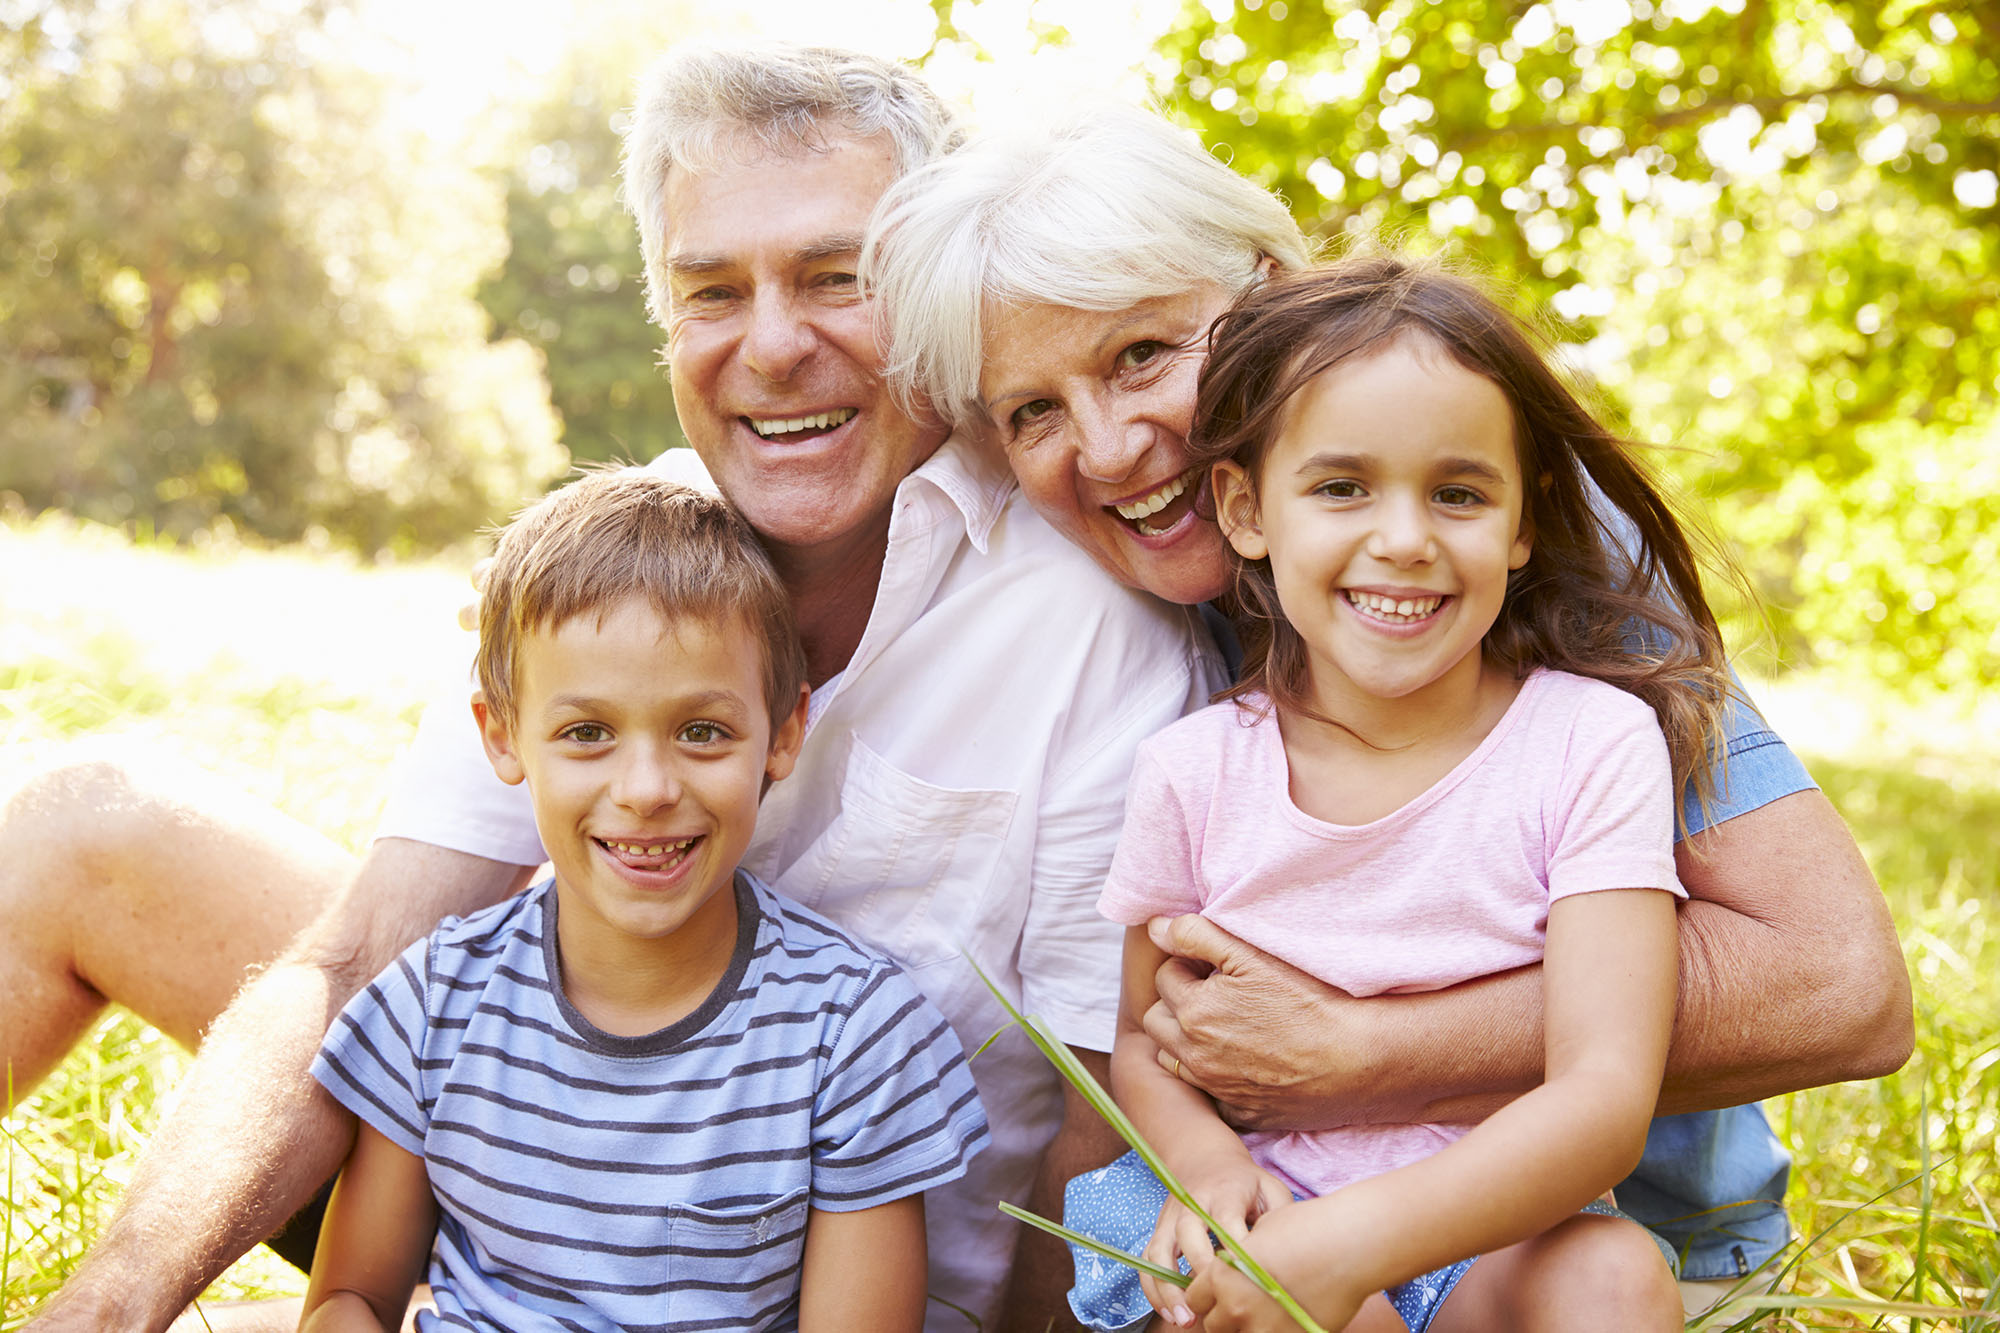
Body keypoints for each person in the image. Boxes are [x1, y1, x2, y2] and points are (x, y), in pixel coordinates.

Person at [14, 46, 1212, 1333]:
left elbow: (1093, 1129)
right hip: (544, 1203)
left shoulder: (1084, 618)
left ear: (931, 297)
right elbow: (363, 957)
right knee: (96, 819)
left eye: (835, 278)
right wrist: (113, 1305)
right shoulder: (613, 566)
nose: (771, 346)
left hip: (849, 1282)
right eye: (710, 291)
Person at [864, 102, 1912, 1304]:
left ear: (1269, 298)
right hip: (1286, 1216)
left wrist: (1368, 1054)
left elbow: (1842, 985)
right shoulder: (1125, 625)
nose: (1105, 450)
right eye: (1032, 410)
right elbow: (1135, 1052)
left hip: (1590, 1241)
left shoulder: (1480, 548)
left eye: (1144, 354)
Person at [1066, 257, 1731, 1333]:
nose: (1405, 538)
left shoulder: (1586, 742)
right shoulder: (1192, 768)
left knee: (1611, 1279)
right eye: (1340, 487)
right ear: (1242, 508)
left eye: (1457, 493)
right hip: (1268, 1203)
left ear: (1521, 524)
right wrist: (1204, 1166)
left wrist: (1357, 1245)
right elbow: (1145, 1037)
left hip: (1489, 1224)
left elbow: (1604, 1097)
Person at [300, 469, 987, 1332]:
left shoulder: (855, 1038)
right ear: (502, 734)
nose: (647, 788)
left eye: (702, 730)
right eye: (587, 732)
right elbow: (348, 1296)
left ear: (783, 733)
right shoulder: (435, 1004)